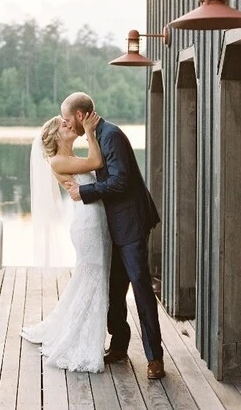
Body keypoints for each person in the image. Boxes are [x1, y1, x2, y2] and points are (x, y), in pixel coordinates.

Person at [61, 91, 165, 380]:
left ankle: (155, 358)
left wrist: (84, 192)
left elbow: (120, 181)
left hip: (130, 223)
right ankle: (119, 345)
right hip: (113, 226)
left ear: (81, 116)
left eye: (68, 119)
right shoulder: (100, 135)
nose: (67, 125)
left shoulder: (111, 136)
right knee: (113, 289)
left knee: (141, 289)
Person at [20, 111, 112, 373]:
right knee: (92, 279)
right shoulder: (58, 161)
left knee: (90, 279)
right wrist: (91, 132)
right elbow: (96, 160)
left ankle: (82, 335)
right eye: (63, 124)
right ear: (54, 135)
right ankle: (81, 343)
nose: (70, 124)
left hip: (96, 221)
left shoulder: (70, 157)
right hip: (88, 225)